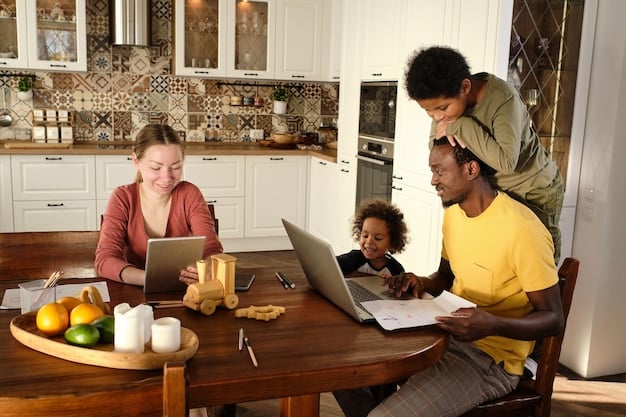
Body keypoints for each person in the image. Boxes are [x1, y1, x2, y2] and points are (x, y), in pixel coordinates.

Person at [333, 138, 564, 417]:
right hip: (441, 334)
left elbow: (553, 318)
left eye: (439, 171)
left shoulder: (523, 230)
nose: (433, 180)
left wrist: (492, 324)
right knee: (334, 369)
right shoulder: (454, 214)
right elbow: (444, 276)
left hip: (489, 359)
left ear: (471, 169)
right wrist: (418, 280)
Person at [405, 45, 564, 263]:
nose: (436, 117)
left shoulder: (502, 98)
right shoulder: (445, 110)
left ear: (465, 86)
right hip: (496, 191)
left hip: (533, 188)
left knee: (538, 260)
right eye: (428, 111)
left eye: (442, 108)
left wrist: (460, 125)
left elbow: (507, 162)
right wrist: (451, 124)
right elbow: (438, 148)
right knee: (500, 264)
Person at [95, 124, 222, 286]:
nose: (166, 177)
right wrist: (152, 279)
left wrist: (209, 266)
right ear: (136, 161)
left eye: (176, 167)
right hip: (133, 294)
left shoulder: (189, 194)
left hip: (186, 292)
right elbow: (105, 260)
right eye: (156, 168)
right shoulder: (123, 197)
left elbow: (212, 250)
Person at [336, 199, 408, 277]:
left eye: (378, 238)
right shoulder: (354, 258)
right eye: (365, 236)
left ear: (392, 241)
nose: (369, 242)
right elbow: (331, 264)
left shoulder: (396, 270)